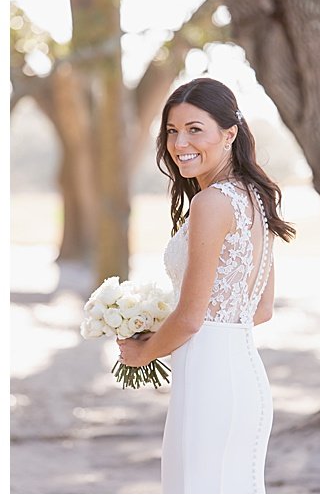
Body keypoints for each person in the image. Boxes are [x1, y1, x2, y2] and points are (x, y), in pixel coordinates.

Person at [118, 77, 295, 493]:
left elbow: (193, 318)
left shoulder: (211, 202)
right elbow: (261, 309)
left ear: (229, 133)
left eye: (195, 129)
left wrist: (144, 351)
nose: (180, 143)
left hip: (209, 381)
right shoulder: (256, 197)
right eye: (172, 131)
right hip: (245, 374)